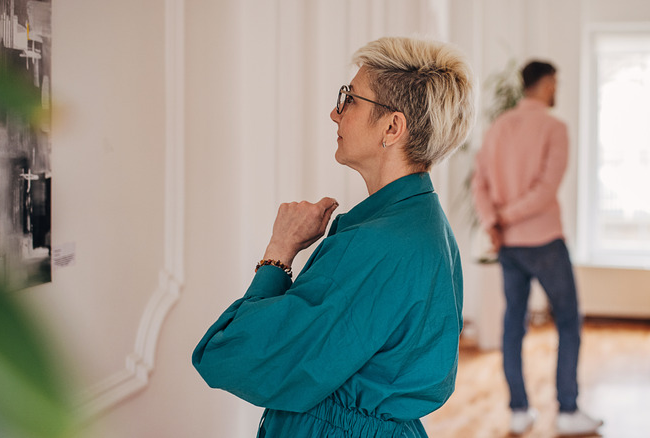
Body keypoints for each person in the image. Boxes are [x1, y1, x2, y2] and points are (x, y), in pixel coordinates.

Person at [192, 36, 475, 438]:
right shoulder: (427, 226)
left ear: (392, 127)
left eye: (350, 99)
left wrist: (279, 251)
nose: (334, 112)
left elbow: (231, 354)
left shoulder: (376, 244)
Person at [471, 60, 603, 436]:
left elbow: (479, 183)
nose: (556, 89)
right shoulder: (555, 128)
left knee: (513, 325)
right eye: (555, 83)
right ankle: (567, 410)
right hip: (544, 242)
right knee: (568, 322)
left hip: (509, 246)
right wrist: (504, 218)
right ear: (546, 85)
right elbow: (545, 191)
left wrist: (494, 222)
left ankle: (518, 411)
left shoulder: (498, 127)